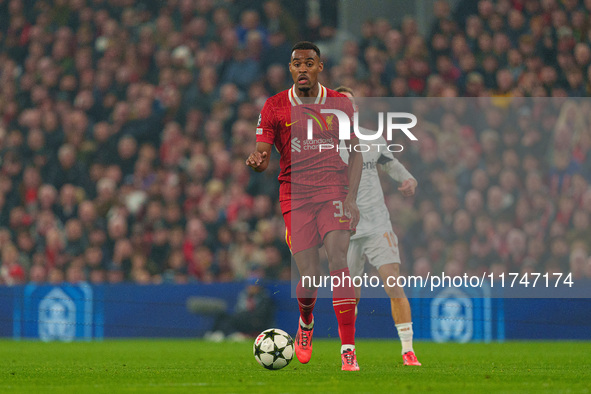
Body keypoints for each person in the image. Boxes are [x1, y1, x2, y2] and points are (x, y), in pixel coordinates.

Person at [246, 41, 363, 371]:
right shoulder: (274, 106)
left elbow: (356, 151)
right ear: (290, 68)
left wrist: (351, 197)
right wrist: (258, 160)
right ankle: (306, 322)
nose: (302, 69)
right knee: (309, 274)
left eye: (308, 63)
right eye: (296, 63)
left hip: (333, 191)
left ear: (319, 67)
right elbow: (263, 151)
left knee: (338, 257)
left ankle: (348, 350)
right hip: (295, 195)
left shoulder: (340, 104)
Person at [335, 86, 421, 366]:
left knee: (393, 283)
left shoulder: (372, 139)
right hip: (344, 229)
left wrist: (407, 178)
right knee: (350, 296)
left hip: (376, 224)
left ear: (356, 109)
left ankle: (408, 350)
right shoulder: (325, 145)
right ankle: (348, 352)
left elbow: (390, 163)